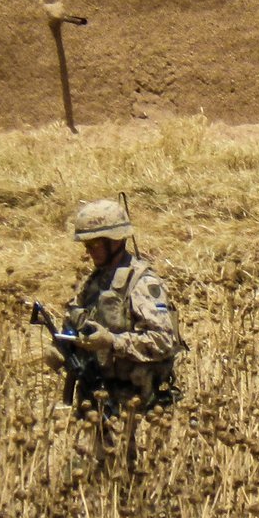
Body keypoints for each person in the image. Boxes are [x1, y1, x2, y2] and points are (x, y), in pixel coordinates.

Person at [52, 199, 182, 465]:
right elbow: (78, 325)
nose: (90, 252)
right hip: (97, 398)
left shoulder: (142, 283)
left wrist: (112, 342)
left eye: (96, 244)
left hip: (138, 408)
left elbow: (164, 341)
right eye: (87, 245)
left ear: (116, 241)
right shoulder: (93, 284)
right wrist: (62, 349)